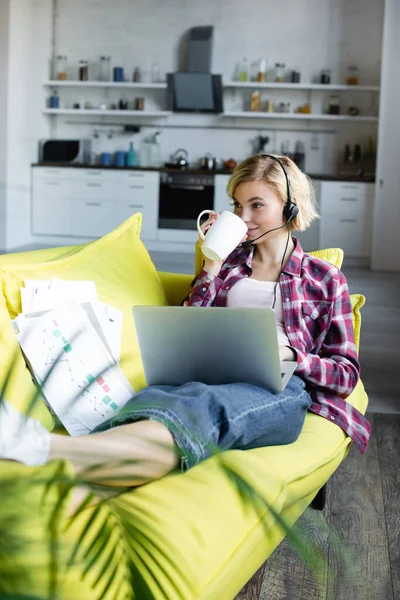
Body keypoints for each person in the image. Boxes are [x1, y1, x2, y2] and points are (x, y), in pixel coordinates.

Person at [0, 154, 370, 507]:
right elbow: (190, 321)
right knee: (156, 401)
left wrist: (292, 356)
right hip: (208, 374)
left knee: (208, 406)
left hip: (281, 385)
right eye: (237, 206)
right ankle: (72, 483)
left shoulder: (324, 279)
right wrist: (211, 265)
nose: (244, 217)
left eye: (256, 205)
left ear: (290, 208)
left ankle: (45, 449)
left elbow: (345, 375)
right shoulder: (228, 265)